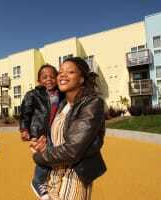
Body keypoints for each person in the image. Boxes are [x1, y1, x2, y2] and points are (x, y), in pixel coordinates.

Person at [31, 57, 106, 200]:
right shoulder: (62, 105)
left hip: (74, 179)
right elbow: (58, 139)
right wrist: (42, 146)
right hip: (52, 178)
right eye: (60, 72)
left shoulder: (92, 104)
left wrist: (39, 157)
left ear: (81, 79)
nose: (62, 75)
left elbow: (72, 150)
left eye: (70, 72)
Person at [20, 64, 64, 200]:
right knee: (44, 156)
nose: (49, 79)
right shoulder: (33, 95)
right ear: (39, 80)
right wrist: (24, 129)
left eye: (52, 76)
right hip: (40, 132)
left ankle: (50, 181)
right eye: (44, 77)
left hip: (55, 131)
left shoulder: (61, 93)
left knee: (55, 156)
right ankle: (38, 181)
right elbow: (25, 113)